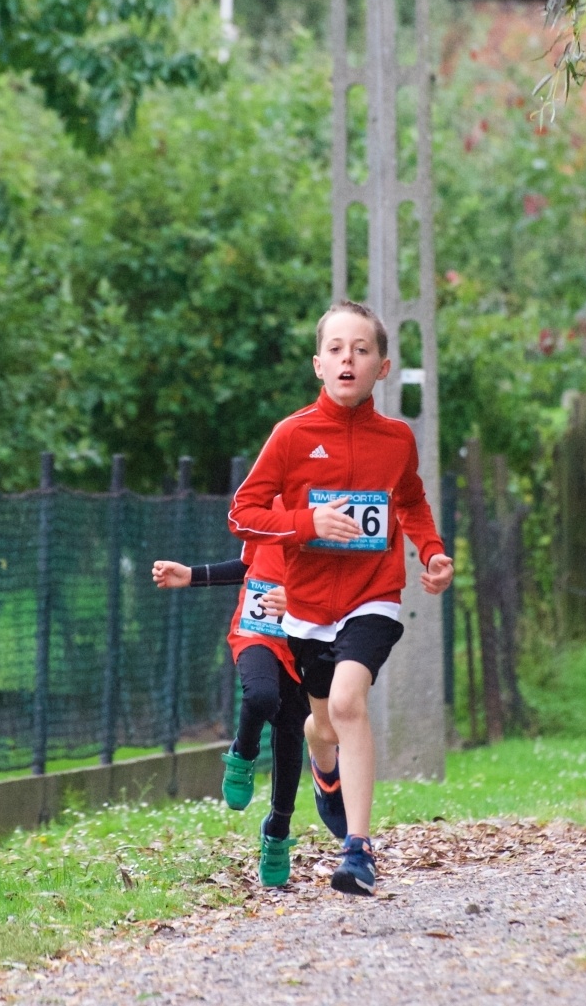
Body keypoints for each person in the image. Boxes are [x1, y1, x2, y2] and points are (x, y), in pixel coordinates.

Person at [228, 299, 454, 896]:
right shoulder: (292, 435)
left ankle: (358, 851)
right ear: (318, 365)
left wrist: (431, 553)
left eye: (361, 349)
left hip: (373, 597)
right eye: (335, 350)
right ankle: (325, 772)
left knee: (350, 703)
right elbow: (243, 515)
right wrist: (307, 524)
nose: (347, 358)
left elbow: (410, 502)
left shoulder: (396, 440)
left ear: (382, 367)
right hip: (305, 609)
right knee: (319, 726)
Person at [150, 535, 311, 888]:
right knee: (262, 696)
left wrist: (301, 601)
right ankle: (243, 752)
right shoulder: (267, 501)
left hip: (306, 636)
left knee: (290, 732)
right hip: (258, 631)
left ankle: (277, 832)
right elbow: (249, 563)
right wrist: (193, 575)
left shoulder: (333, 506)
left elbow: (346, 583)